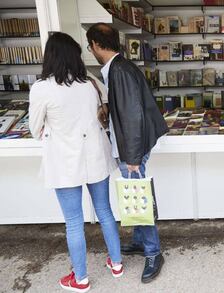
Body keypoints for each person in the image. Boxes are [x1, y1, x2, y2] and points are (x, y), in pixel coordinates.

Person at [29, 32, 122, 293]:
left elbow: (35, 130)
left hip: (65, 161)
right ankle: (116, 263)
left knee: (73, 221)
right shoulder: (90, 83)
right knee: (105, 211)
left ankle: (80, 278)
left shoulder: (42, 88)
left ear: (51, 56)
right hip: (95, 156)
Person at [86, 23, 169, 283]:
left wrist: (132, 157)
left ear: (97, 45)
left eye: (90, 46)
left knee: (137, 198)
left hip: (131, 147)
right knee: (132, 194)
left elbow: (133, 114)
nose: (90, 50)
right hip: (132, 143)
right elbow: (127, 107)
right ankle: (140, 241)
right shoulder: (121, 66)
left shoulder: (119, 70)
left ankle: (154, 253)